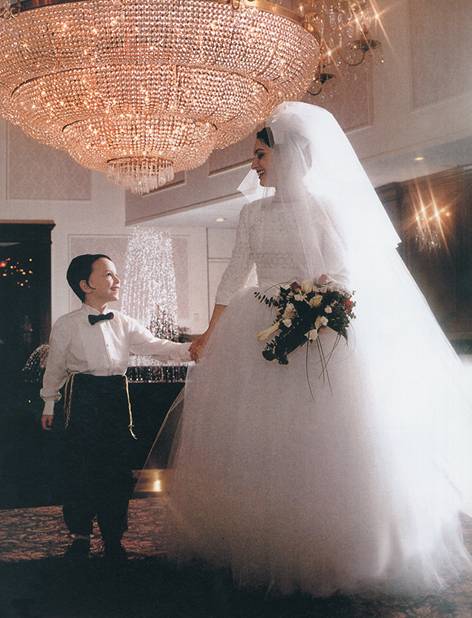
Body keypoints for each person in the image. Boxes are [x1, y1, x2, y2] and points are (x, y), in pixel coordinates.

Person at [154, 102, 472, 596]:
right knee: (255, 438)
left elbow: (343, 272)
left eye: (260, 154)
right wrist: (210, 333)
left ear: (287, 155)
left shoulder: (325, 208)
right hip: (255, 326)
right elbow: (235, 273)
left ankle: (326, 546)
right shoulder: (252, 212)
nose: (254, 164)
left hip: (316, 332)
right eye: (255, 156)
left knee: (319, 439)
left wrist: (315, 304)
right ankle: (256, 539)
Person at [41, 254, 194, 559]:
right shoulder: (67, 324)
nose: (117, 280)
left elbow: (156, 346)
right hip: (82, 396)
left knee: (117, 469)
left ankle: (113, 536)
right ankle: (80, 535)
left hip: (115, 397)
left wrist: (192, 349)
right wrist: (48, 402)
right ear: (85, 285)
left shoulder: (123, 322)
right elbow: (55, 366)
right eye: (108, 274)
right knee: (81, 467)